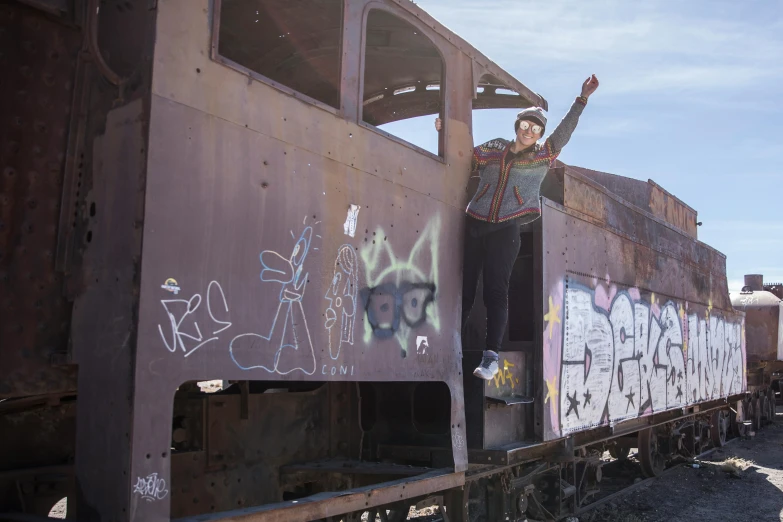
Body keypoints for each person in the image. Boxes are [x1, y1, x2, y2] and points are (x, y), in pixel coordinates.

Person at [435, 74, 599, 380]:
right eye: (525, 125)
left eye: (535, 129)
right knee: (465, 290)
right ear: (517, 127)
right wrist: (443, 132)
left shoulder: (542, 156)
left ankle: (490, 357)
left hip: (507, 230)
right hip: (475, 224)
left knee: (495, 292)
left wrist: (582, 99)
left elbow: (564, 133)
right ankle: (448, 344)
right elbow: (463, 156)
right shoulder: (494, 148)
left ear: (539, 135)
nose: (529, 132)